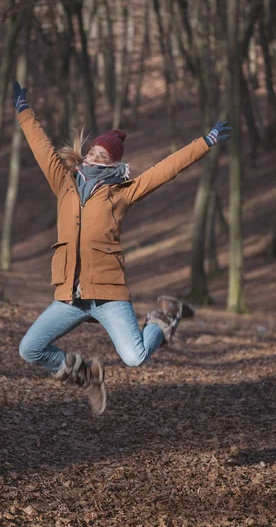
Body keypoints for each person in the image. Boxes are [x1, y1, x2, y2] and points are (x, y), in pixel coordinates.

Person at [13, 82, 232, 415]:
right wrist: (23, 111)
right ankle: (86, 374)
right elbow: (40, 146)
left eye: (104, 155)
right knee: (30, 348)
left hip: (109, 294)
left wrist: (204, 142)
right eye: (94, 151)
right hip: (70, 295)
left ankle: (164, 317)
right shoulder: (64, 182)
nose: (95, 156)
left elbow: (164, 170)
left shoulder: (122, 193)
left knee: (135, 357)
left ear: (112, 163)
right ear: (86, 153)